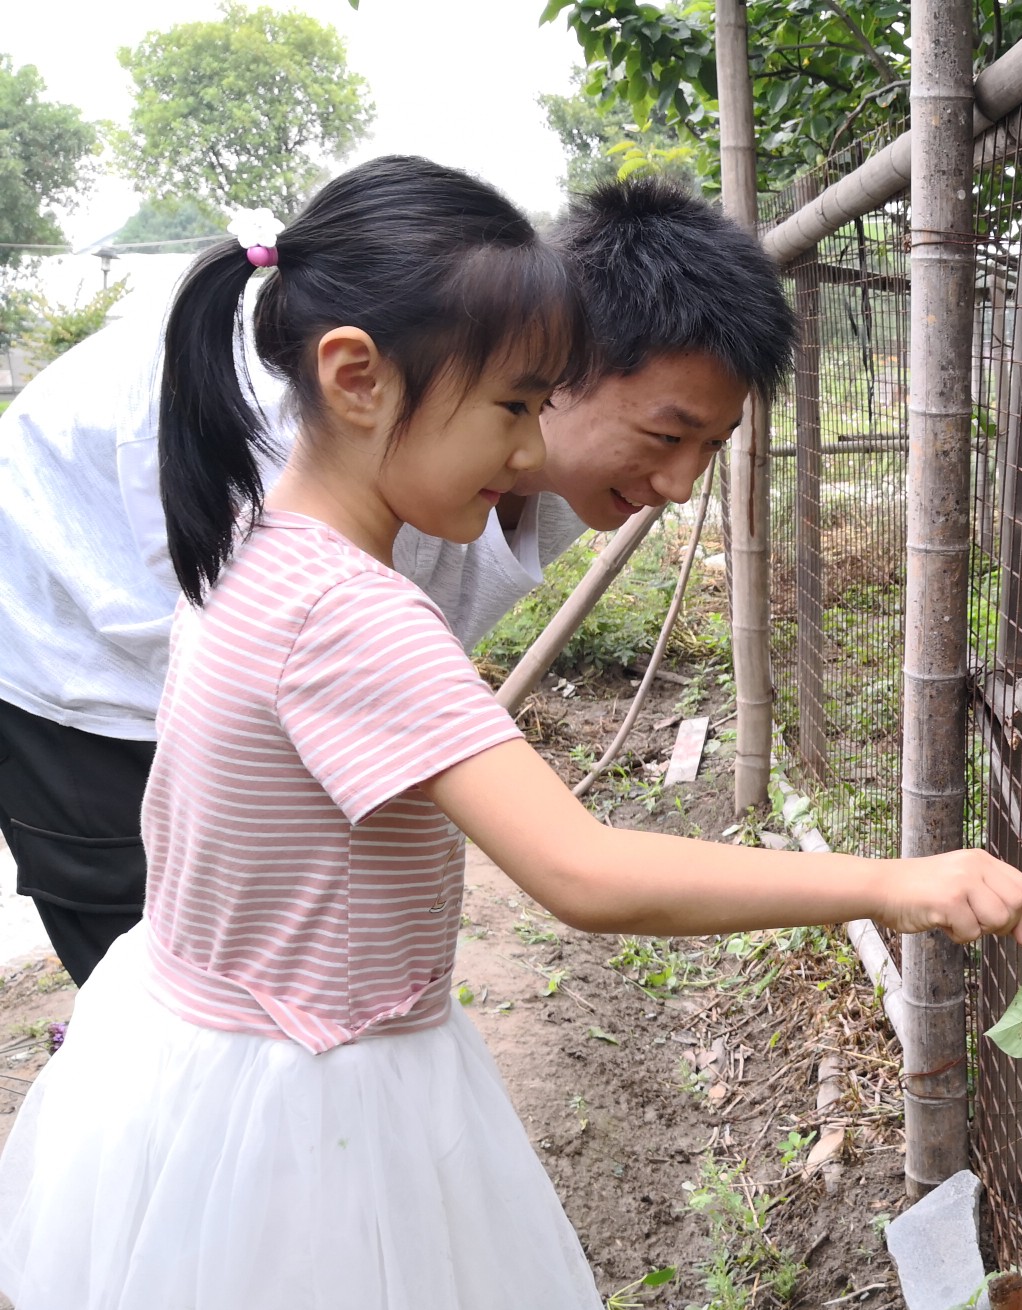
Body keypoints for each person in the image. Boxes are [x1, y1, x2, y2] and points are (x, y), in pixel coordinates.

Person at [0, 156, 1022, 1310]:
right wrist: (891, 885)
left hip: (201, 1048)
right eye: (517, 406)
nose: (529, 448)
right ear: (360, 378)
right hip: (311, 1073)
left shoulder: (259, 540)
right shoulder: (358, 610)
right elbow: (584, 872)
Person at [0, 176, 793, 985]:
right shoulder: (325, 482)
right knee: (180, 975)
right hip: (73, 656)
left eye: (712, 446)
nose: (679, 485)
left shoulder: (492, 449)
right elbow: (578, 869)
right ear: (557, 363)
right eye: (666, 436)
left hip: (224, 667)